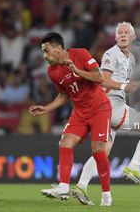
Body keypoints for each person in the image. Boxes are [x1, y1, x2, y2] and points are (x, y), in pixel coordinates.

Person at [72, 22, 140, 205]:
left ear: (133, 37)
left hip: (110, 106)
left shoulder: (132, 59)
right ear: (115, 37)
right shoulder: (111, 54)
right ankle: (134, 167)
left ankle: (81, 186)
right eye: (120, 32)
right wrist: (124, 86)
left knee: (102, 152)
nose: (123, 34)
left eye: (127, 32)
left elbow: (124, 86)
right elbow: (103, 80)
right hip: (109, 105)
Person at [29, 32, 113, 206]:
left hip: (99, 108)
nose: (44, 56)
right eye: (43, 52)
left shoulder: (80, 54)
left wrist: (77, 71)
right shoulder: (52, 72)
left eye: (46, 51)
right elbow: (64, 94)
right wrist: (47, 107)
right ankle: (63, 187)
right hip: (80, 112)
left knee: (97, 149)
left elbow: (100, 77)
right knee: (64, 143)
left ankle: (106, 195)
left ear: (59, 48)